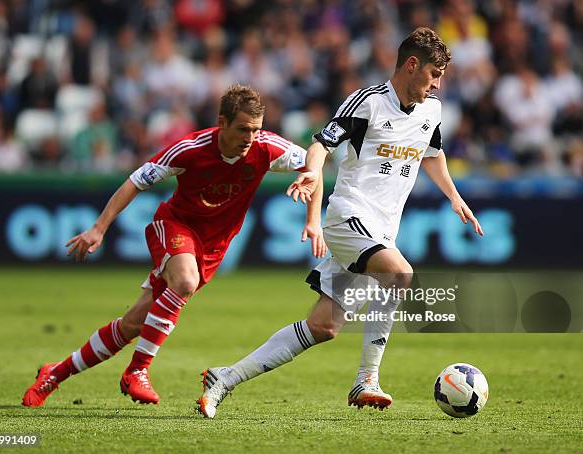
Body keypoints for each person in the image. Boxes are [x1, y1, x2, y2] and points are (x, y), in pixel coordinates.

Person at [197, 27, 484, 419]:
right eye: (434, 74)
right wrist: (313, 172)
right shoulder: (368, 103)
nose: (438, 84)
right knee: (400, 274)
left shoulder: (431, 111)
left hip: (380, 231)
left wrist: (454, 196)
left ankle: (224, 377)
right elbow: (321, 144)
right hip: (349, 216)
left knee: (323, 326)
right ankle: (367, 379)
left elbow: (432, 154)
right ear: (412, 65)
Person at [22, 84, 326, 407]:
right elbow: (135, 181)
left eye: (256, 129)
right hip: (175, 227)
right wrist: (99, 227)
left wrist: (313, 220)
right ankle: (137, 371)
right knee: (184, 280)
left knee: (133, 324)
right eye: (242, 128)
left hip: (211, 247)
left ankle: (55, 373)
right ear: (222, 122)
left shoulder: (266, 148)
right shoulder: (190, 149)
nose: (250, 137)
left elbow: (313, 167)